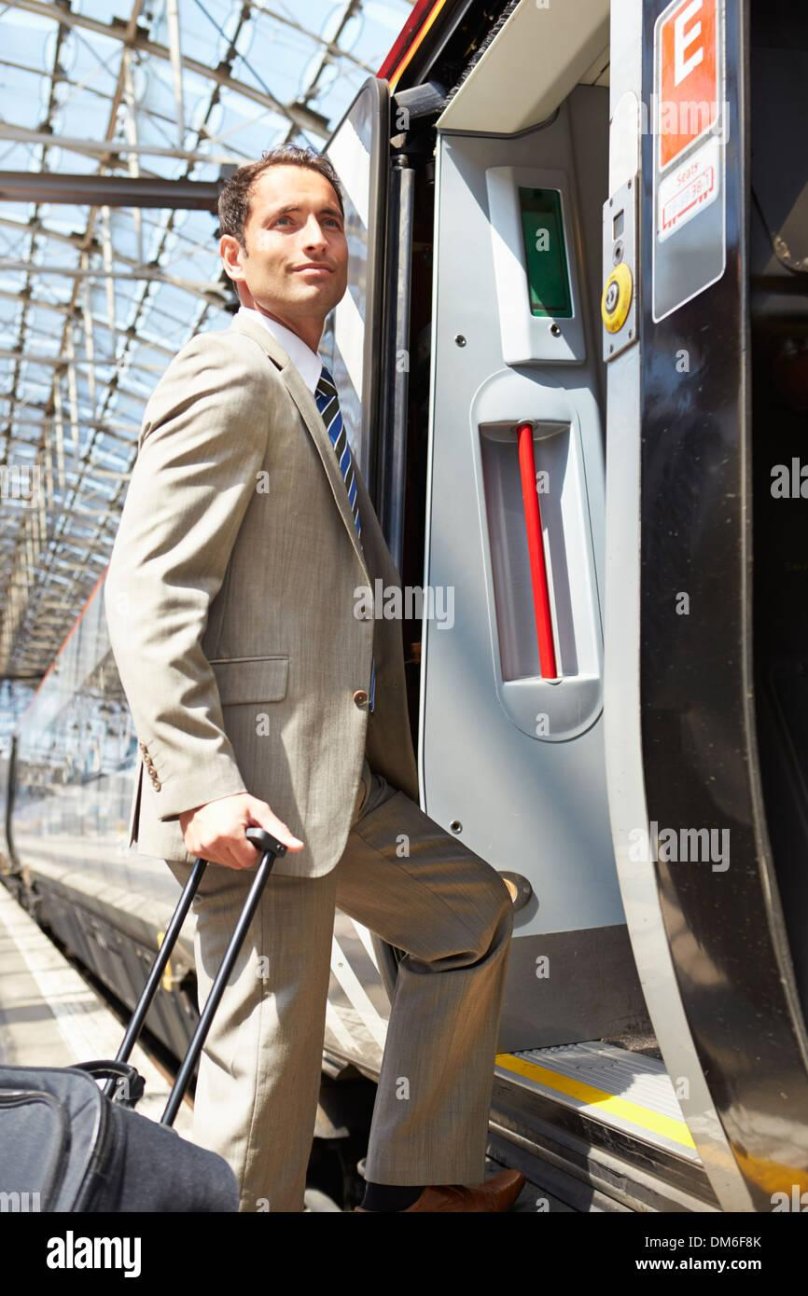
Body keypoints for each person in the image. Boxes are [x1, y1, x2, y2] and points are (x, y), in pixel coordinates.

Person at [103, 143, 524, 1213]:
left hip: (335, 786)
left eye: (330, 221)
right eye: (285, 222)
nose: (316, 239)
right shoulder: (228, 373)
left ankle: (419, 1188)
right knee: (261, 1077)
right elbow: (150, 593)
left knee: (468, 917)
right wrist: (202, 788)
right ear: (233, 256)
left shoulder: (314, 385)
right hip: (252, 797)